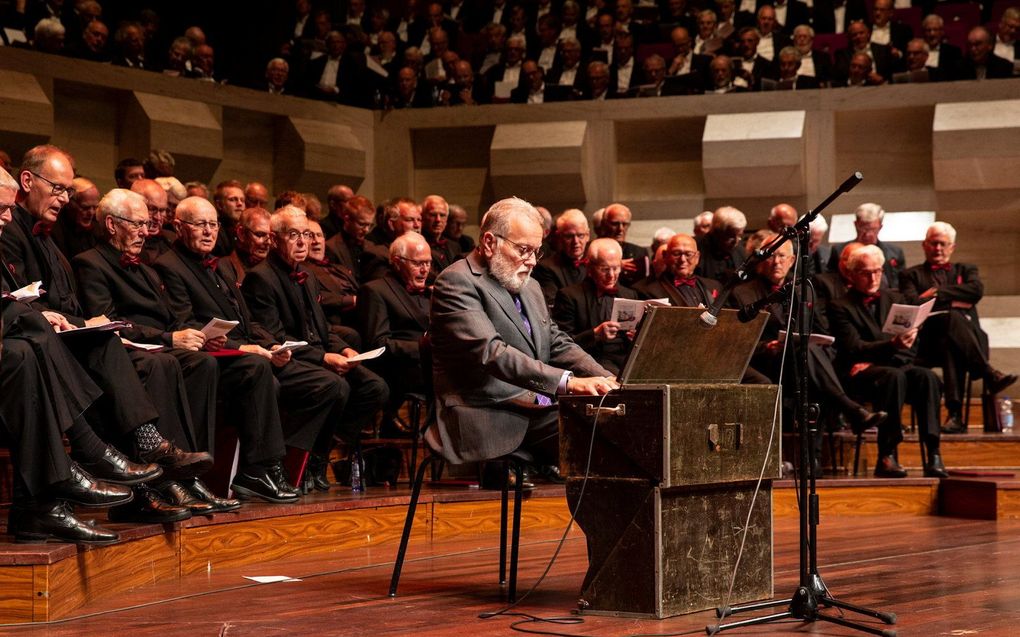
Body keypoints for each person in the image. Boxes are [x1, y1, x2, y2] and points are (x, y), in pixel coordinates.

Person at [154, 196, 347, 496]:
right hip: (213, 358)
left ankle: (279, 465)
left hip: (246, 353)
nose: (208, 232)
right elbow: (184, 324)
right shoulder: (169, 266)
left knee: (330, 383)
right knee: (266, 372)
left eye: (213, 224)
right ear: (179, 227)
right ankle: (261, 469)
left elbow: (248, 321)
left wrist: (271, 346)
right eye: (199, 225)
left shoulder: (219, 267)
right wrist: (244, 349)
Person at [429, 196, 617, 473]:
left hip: (534, 409)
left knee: (620, 422)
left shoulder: (530, 286)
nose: (531, 262)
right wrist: (569, 382)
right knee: (599, 432)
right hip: (488, 412)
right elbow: (491, 353)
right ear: (490, 242)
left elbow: (555, 341)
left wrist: (605, 377)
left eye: (536, 252)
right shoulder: (456, 282)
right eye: (524, 250)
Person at [242, 207, 389, 465]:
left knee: (375, 388)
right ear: (274, 239)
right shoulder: (261, 277)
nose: (302, 242)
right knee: (336, 386)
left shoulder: (308, 275)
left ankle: (324, 447)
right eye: (293, 234)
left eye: (307, 234)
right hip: (290, 359)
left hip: (317, 354)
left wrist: (344, 350)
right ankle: (300, 459)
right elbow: (275, 337)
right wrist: (323, 358)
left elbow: (322, 327)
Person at [827, 245, 948, 479]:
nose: (873, 278)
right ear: (851, 275)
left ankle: (934, 452)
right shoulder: (839, 306)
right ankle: (887, 454)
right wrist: (891, 345)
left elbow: (909, 351)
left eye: (877, 271)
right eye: (865, 272)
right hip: (859, 377)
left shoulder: (896, 298)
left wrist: (887, 351)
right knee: (894, 376)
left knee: (928, 377)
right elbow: (853, 348)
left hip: (890, 367)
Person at [899, 222, 1017, 433]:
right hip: (927, 342)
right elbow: (912, 303)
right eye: (933, 244)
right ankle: (988, 374)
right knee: (951, 322)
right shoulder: (910, 275)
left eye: (943, 244)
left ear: (952, 247)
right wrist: (955, 299)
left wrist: (935, 294)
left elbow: (975, 291)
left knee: (951, 343)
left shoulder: (966, 269)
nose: (938, 249)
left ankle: (955, 416)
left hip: (960, 343)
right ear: (924, 245)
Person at [358, 232, 433, 433]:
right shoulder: (374, 291)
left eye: (428, 262)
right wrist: (425, 348)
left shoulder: (432, 291)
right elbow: (378, 344)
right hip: (402, 369)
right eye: (418, 263)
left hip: (434, 364)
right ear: (397, 262)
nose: (425, 269)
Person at [552, 238, 640, 375]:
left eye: (616, 268)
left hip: (627, 362)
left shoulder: (630, 294)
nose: (611, 275)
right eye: (604, 269)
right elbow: (560, 344)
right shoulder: (569, 296)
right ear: (589, 267)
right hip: (591, 362)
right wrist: (595, 334)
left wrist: (637, 337)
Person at [827, 202, 905, 288]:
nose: (867, 234)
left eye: (872, 229)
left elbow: (901, 284)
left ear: (880, 227)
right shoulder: (839, 251)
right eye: (863, 228)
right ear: (856, 225)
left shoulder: (895, 253)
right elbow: (830, 284)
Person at [532, 208, 590, 307]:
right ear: (559, 237)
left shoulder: (597, 263)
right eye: (569, 236)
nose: (575, 242)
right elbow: (553, 305)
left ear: (588, 235)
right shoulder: (546, 268)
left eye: (580, 235)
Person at [600, 203, 649, 288]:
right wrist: (616, 267)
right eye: (615, 224)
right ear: (604, 224)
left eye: (625, 224)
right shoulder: (591, 250)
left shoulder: (639, 252)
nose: (620, 229)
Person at [695, 206, 746, 283]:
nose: (736, 241)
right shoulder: (695, 248)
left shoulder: (741, 251)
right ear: (717, 232)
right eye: (730, 237)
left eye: (739, 235)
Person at [421, 194, 461, 273]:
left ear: (447, 219)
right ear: (423, 216)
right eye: (433, 215)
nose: (438, 220)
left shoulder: (455, 246)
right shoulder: (417, 246)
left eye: (442, 215)